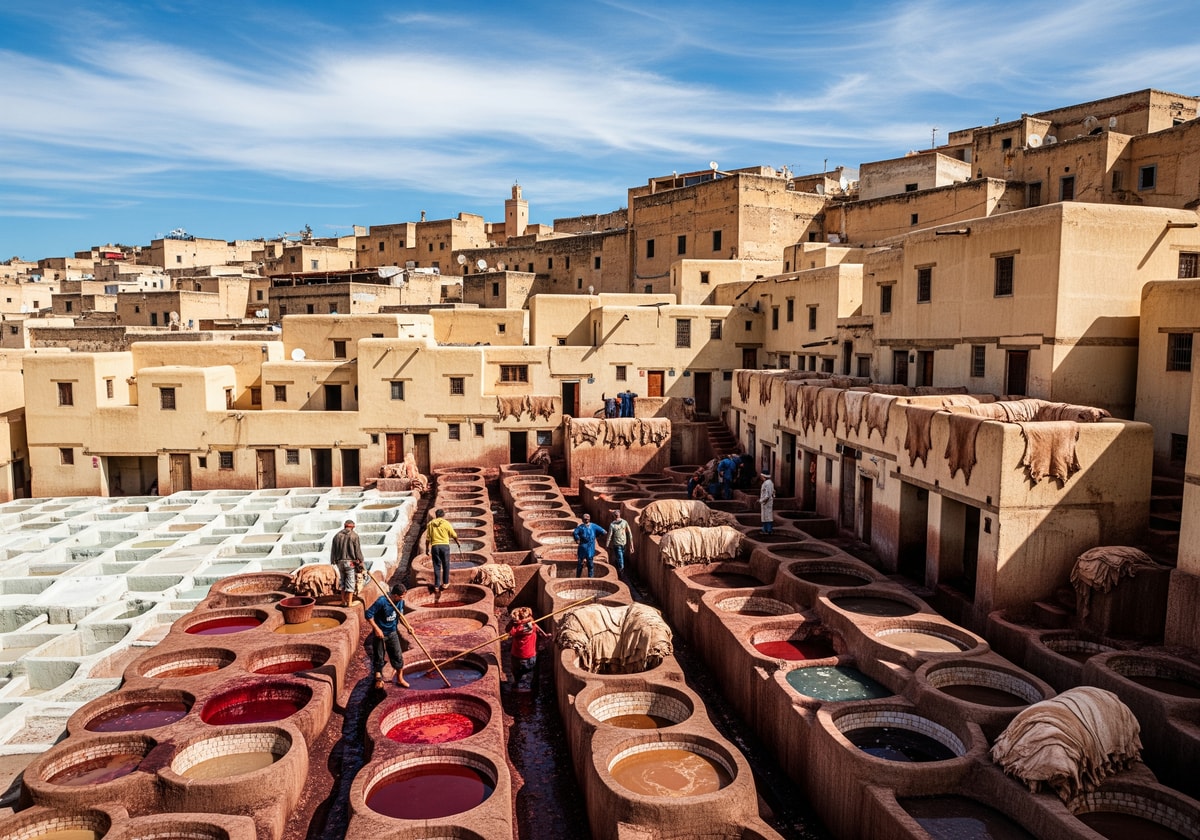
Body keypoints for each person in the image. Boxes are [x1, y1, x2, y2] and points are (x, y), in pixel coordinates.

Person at [365, 583, 409, 689]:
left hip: (392, 632)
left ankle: (400, 678)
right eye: (401, 596)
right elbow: (368, 615)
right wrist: (376, 629)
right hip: (380, 633)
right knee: (379, 657)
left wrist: (408, 626)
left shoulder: (400, 602)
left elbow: (401, 616)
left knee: (398, 655)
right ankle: (378, 679)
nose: (402, 599)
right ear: (395, 595)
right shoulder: (382, 601)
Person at [505, 606, 548, 692]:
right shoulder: (532, 625)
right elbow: (537, 628)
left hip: (517, 657)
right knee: (532, 673)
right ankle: (532, 690)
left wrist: (513, 623)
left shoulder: (517, 629)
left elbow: (508, 631)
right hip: (531, 656)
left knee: (516, 674)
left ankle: (516, 686)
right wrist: (545, 635)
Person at [330, 519, 364, 607]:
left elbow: (333, 550)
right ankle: (349, 603)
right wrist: (361, 560)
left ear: (345, 526)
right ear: (352, 527)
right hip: (350, 563)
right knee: (350, 582)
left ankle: (343, 601)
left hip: (339, 562)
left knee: (343, 581)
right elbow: (357, 551)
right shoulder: (354, 536)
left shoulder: (337, 536)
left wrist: (333, 560)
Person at [426, 509, 461, 593]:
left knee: (437, 566)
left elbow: (428, 539)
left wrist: (427, 548)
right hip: (445, 546)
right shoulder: (446, 523)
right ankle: (445, 583)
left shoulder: (430, 524)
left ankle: (437, 585)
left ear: (436, 515)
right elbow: (454, 535)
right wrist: (458, 542)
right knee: (446, 565)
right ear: (443, 515)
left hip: (435, 546)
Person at [572, 513, 607, 578]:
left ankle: (589, 578)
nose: (586, 520)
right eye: (585, 519)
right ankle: (579, 578)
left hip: (589, 547)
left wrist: (597, 535)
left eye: (587, 519)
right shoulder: (581, 527)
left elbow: (604, 532)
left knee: (589, 564)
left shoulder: (593, 526)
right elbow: (575, 533)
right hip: (584, 547)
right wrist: (577, 539)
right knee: (582, 564)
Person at [605, 508, 632, 573]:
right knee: (620, 557)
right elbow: (630, 534)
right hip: (622, 543)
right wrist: (631, 545)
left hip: (618, 543)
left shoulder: (613, 524)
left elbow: (609, 535)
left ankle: (621, 570)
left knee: (620, 557)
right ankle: (620, 569)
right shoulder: (624, 522)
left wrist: (607, 545)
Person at [759, 470, 776, 534]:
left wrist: (761, 501)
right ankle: (767, 529)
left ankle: (767, 530)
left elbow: (767, 495)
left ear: (764, 476)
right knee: (768, 516)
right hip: (768, 502)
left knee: (766, 516)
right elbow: (773, 492)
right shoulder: (770, 482)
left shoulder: (766, 483)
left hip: (766, 502)